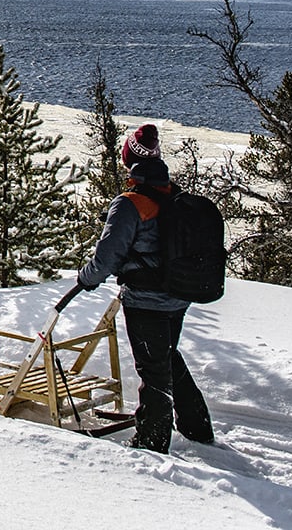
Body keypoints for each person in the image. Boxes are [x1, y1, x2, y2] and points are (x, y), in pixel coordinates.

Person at [76, 123, 214, 452]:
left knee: (153, 369)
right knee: (166, 357)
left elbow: (108, 257)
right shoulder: (172, 195)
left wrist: (87, 278)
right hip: (177, 296)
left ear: (129, 161)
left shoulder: (130, 203)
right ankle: (196, 425)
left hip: (146, 300)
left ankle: (151, 441)